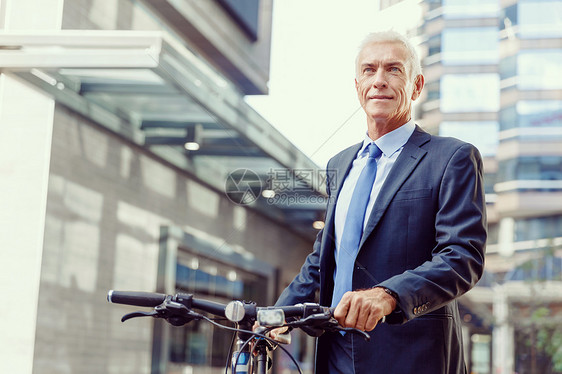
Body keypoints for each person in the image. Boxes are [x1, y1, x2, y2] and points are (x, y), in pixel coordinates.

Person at [274, 30, 487, 374]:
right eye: (369, 70)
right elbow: (322, 261)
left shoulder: (452, 158)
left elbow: (462, 257)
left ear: (416, 86)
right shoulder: (339, 164)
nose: (379, 81)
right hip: (334, 356)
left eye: (393, 69)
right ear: (357, 85)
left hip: (412, 358)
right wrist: (275, 316)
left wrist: (388, 296)